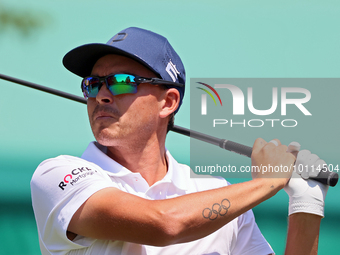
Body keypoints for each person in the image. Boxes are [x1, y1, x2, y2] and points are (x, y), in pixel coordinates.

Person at [31, 27, 328, 255]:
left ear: (168, 102)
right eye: (92, 84)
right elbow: (165, 224)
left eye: (122, 82)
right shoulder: (57, 176)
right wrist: (269, 182)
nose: (101, 95)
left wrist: (307, 203)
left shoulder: (215, 193)